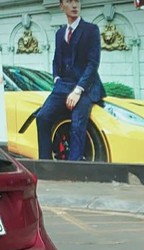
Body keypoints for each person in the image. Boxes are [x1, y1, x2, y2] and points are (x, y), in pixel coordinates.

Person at [37, 0, 106, 161]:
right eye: (69, 1)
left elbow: (93, 63)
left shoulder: (91, 30)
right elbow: (56, 61)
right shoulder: (60, 33)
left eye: (77, 1)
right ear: (62, 6)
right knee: (42, 117)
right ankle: (45, 163)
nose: (75, 5)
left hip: (86, 87)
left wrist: (78, 90)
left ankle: (73, 167)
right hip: (63, 85)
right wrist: (56, 79)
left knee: (77, 124)